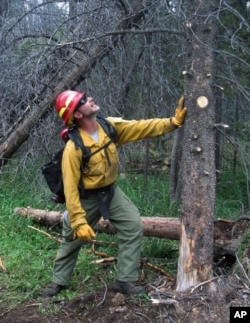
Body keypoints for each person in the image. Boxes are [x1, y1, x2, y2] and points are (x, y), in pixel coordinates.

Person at [42, 90, 187, 297]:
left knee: (133, 226)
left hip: (111, 192)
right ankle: (58, 282)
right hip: (86, 197)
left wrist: (172, 122)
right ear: (77, 115)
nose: (89, 99)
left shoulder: (108, 127)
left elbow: (141, 127)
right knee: (73, 238)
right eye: (82, 101)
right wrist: (79, 221)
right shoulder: (73, 148)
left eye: (87, 96)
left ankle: (124, 280)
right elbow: (70, 188)